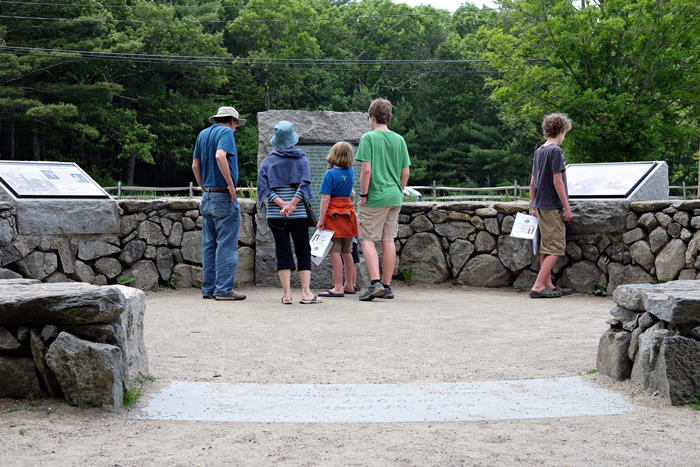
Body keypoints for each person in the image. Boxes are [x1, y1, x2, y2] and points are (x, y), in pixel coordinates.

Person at [257, 121, 323, 305]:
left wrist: (281, 204)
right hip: (298, 213)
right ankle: (306, 293)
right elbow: (305, 184)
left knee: (283, 250)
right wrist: (292, 204)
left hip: (275, 214)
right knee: (303, 250)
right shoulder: (301, 158)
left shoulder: (269, 160)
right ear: (292, 138)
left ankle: (287, 294)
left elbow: (264, 188)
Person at [356, 98, 411, 301]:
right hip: (395, 196)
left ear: (372, 116)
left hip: (375, 196)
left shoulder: (368, 138)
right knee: (388, 240)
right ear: (388, 117)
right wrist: (399, 189)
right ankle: (387, 286)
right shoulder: (400, 140)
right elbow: (405, 172)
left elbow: (366, 170)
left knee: (367, 239)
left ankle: (374, 283)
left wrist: (363, 195)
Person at [192, 106, 247, 300]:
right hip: (223, 197)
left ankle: (208, 289)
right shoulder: (226, 132)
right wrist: (231, 186)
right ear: (232, 120)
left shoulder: (203, 134)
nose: (235, 128)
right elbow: (220, 156)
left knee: (209, 245)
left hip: (207, 196)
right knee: (226, 244)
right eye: (236, 124)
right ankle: (223, 289)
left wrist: (203, 187)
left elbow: (195, 165)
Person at [529, 113, 574, 299]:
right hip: (552, 205)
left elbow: (532, 183)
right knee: (556, 247)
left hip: (540, 205)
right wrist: (567, 207)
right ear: (562, 130)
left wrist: (533, 206)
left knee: (546, 247)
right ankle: (538, 285)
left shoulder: (539, 151)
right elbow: (558, 181)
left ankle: (548, 283)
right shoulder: (556, 151)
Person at [316, 142, 359, 297]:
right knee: (347, 252)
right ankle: (349, 285)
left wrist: (321, 219)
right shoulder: (351, 171)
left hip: (333, 216)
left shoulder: (330, 174)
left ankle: (338, 287)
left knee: (335, 252)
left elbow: (326, 197)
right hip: (348, 214)